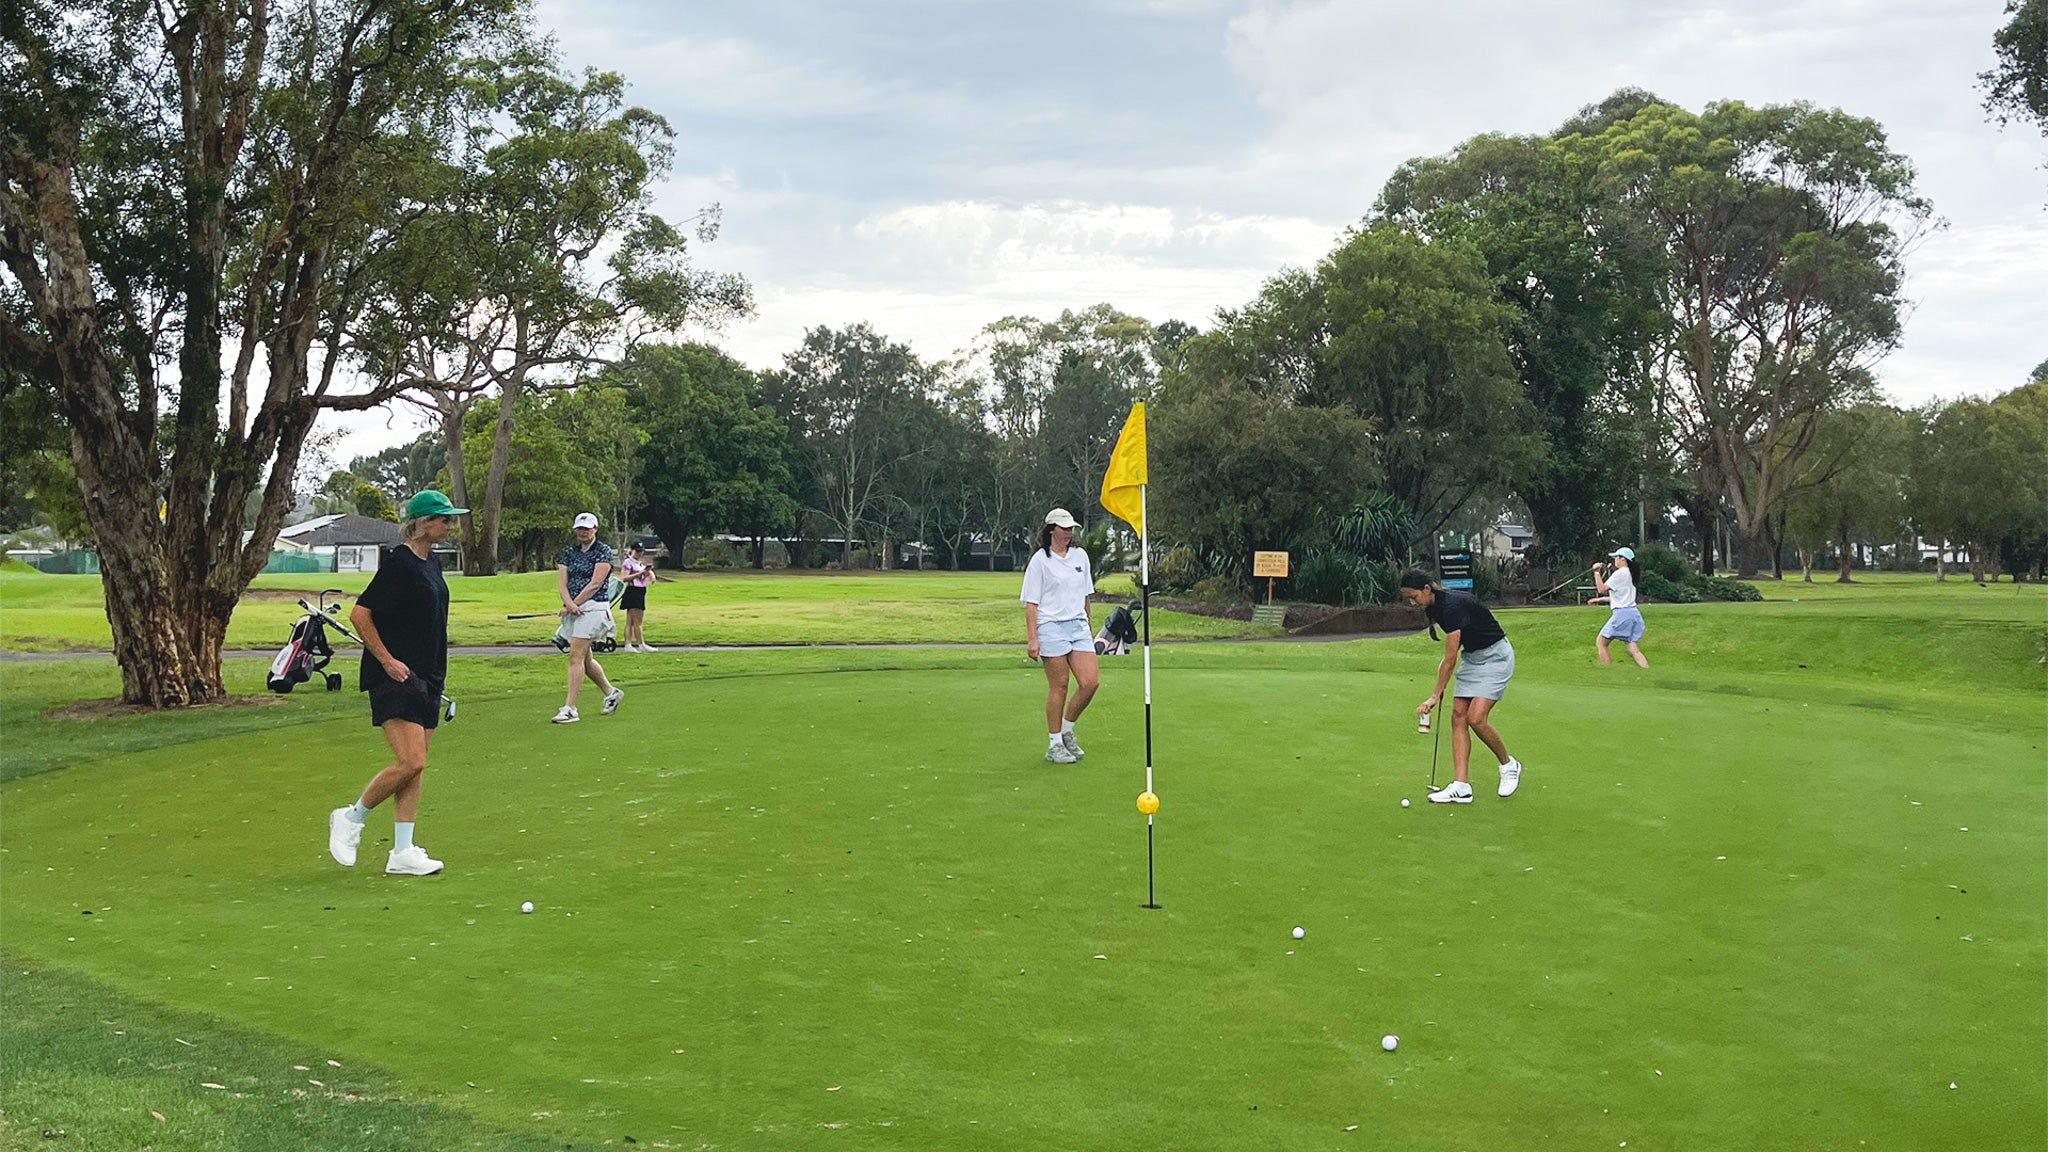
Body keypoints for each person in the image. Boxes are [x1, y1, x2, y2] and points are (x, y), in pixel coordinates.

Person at [327, 490, 462, 876]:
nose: (449, 525)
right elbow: (360, 615)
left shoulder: (431, 563)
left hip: (428, 677)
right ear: (422, 522)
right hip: (394, 676)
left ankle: (402, 852)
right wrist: (387, 661)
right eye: (444, 519)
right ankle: (351, 817)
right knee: (411, 760)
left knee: (416, 767)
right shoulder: (399, 564)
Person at [1399, 569, 1524, 803]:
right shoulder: (1434, 606)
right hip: (1474, 658)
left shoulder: (1453, 606)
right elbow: (1450, 659)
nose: (1412, 602)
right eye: (1408, 598)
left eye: (1413, 596)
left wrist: (1435, 695)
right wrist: (1438, 689)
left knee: (1476, 718)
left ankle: (1509, 765)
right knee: (1458, 716)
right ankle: (1461, 786)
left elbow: (1450, 658)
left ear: (1427, 589)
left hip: (1496, 657)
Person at [1020, 508, 1097, 764]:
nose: (1068, 533)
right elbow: (1032, 604)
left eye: (1070, 529)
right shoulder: (1040, 560)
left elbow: (1086, 594)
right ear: (1051, 529)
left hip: (1078, 626)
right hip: (1051, 626)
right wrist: (1033, 639)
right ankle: (1054, 744)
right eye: (1064, 528)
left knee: (1090, 683)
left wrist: (1089, 624)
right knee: (1060, 685)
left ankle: (1067, 730)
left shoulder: (1081, 556)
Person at [553, 511, 625, 723]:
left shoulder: (603, 551)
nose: (583, 532)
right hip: (574, 608)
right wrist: (569, 603)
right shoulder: (569, 553)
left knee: (575, 656)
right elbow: (562, 583)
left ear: (595, 529)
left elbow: (595, 583)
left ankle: (570, 708)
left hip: (594, 608)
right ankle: (611, 692)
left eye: (587, 528)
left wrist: (576, 603)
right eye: (580, 529)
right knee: (585, 658)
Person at [1589, 546, 1649, 667]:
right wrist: (1599, 600)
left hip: (1622, 614)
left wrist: (1596, 572)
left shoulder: (1620, 573)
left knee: (1601, 642)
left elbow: (1601, 589)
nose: (1615, 559)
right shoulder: (1631, 574)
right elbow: (1620, 597)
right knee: (1633, 648)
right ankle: (1646, 670)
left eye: (1616, 557)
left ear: (1622, 559)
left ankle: (1608, 670)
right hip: (1633, 613)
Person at [619, 544, 658, 652]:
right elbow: (624, 577)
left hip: (640, 590)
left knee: (631, 620)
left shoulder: (640, 563)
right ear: (632, 551)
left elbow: (646, 572)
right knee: (637, 621)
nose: (639, 554)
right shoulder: (628, 562)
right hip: (633, 591)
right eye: (637, 551)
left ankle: (629, 644)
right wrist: (638, 574)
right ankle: (640, 643)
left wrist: (650, 575)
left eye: (641, 551)